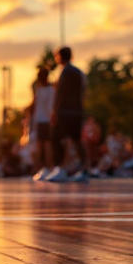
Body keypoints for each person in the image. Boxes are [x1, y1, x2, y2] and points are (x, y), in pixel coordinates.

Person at [48, 46, 87, 181]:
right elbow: (83, 92)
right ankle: (84, 169)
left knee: (58, 139)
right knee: (76, 140)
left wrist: (55, 111)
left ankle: (61, 168)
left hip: (64, 111)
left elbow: (60, 94)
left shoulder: (65, 72)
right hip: (76, 111)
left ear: (60, 56)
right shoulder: (78, 72)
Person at [28, 67, 55, 179]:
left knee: (44, 145)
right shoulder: (44, 90)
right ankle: (42, 168)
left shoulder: (46, 90)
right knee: (43, 145)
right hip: (43, 120)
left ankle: (46, 168)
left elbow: (48, 106)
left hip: (44, 120)